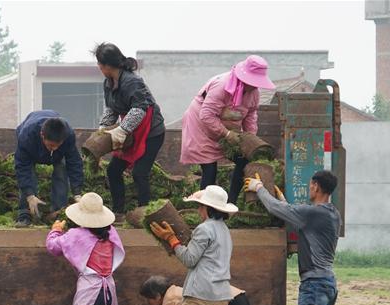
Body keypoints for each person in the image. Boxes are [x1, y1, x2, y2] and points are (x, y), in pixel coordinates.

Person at [245, 170, 341, 305]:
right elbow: (297, 219)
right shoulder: (332, 213)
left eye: (310, 185)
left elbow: (277, 211)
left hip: (314, 284)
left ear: (316, 187)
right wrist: (284, 201)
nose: (309, 189)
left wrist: (258, 188)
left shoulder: (314, 213)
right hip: (327, 283)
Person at [181, 55, 275, 202]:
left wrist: (249, 140)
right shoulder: (222, 86)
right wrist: (226, 133)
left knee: (243, 160)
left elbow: (250, 116)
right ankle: (207, 209)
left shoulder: (254, 93)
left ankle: (231, 204)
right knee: (210, 168)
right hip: (201, 124)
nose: (255, 86)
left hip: (228, 128)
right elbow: (206, 115)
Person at [93, 42, 165, 214]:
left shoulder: (132, 81)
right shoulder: (108, 83)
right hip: (131, 132)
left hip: (150, 132)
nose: (99, 67)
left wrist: (122, 130)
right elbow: (112, 108)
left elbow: (139, 109)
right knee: (113, 170)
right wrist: (103, 128)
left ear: (108, 65)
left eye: (100, 64)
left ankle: (144, 213)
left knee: (140, 173)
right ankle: (118, 212)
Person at [14, 110, 84, 227]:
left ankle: (58, 212)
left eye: (58, 145)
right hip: (32, 147)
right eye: (51, 145)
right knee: (29, 172)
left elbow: (74, 162)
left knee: (62, 168)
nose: (54, 149)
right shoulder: (27, 136)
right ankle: (24, 214)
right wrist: (30, 195)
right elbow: (22, 167)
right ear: (42, 135)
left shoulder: (68, 135)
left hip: (57, 152)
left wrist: (77, 193)